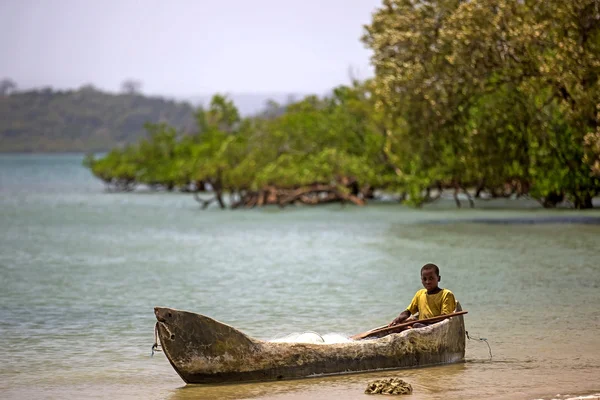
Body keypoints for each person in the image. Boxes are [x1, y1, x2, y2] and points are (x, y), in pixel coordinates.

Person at [388, 263, 457, 328]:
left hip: (435, 326)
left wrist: (421, 322)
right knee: (398, 326)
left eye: (431, 278)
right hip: (420, 324)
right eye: (424, 279)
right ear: (421, 280)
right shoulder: (420, 294)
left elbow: (444, 317)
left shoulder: (446, 294)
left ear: (438, 278)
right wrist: (398, 319)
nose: (427, 282)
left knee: (416, 325)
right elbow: (408, 312)